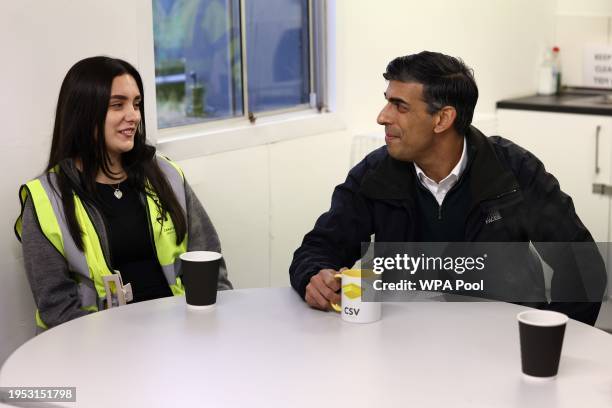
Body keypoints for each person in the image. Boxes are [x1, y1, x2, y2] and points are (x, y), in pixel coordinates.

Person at [289, 51, 607, 326]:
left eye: (399, 106)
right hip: (405, 343)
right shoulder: (375, 173)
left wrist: (550, 335)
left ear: (442, 119)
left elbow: (581, 268)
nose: (382, 117)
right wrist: (314, 275)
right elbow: (318, 248)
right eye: (387, 102)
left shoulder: (515, 173)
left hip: (498, 344)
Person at [15, 56, 232, 330]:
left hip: (179, 336)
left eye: (136, 104)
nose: (134, 115)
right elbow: (57, 307)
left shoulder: (166, 175)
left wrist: (215, 326)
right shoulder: (47, 199)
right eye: (118, 105)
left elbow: (209, 258)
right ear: (84, 113)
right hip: (97, 350)